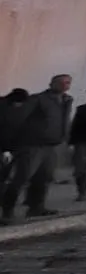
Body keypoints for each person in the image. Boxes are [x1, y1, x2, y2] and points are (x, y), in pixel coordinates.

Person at [4, 74, 73, 219]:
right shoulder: (38, 99)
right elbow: (18, 118)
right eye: (62, 82)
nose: (66, 85)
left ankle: (36, 207)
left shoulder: (67, 100)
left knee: (44, 177)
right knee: (22, 178)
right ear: (52, 84)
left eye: (68, 83)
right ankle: (7, 211)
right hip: (33, 145)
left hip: (52, 145)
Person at [0, 86, 35, 222]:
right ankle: (6, 212)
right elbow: (5, 130)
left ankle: (7, 211)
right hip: (7, 148)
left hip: (14, 147)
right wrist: (5, 149)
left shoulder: (11, 107)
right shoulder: (6, 109)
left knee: (6, 179)